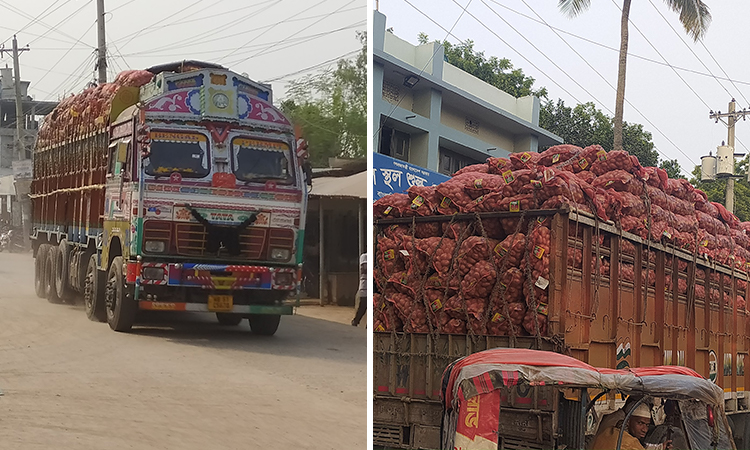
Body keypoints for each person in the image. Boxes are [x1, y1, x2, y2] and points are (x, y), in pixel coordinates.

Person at [591, 402, 672, 450]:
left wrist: (660, 447)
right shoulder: (626, 442)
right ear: (628, 421)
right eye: (640, 423)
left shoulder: (610, 431)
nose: (645, 429)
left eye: (647, 425)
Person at [351, 252, 367, 326]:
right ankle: (355, 321)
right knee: (362, 306)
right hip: (365, 286)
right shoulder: (364, 256)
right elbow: (365, 268)